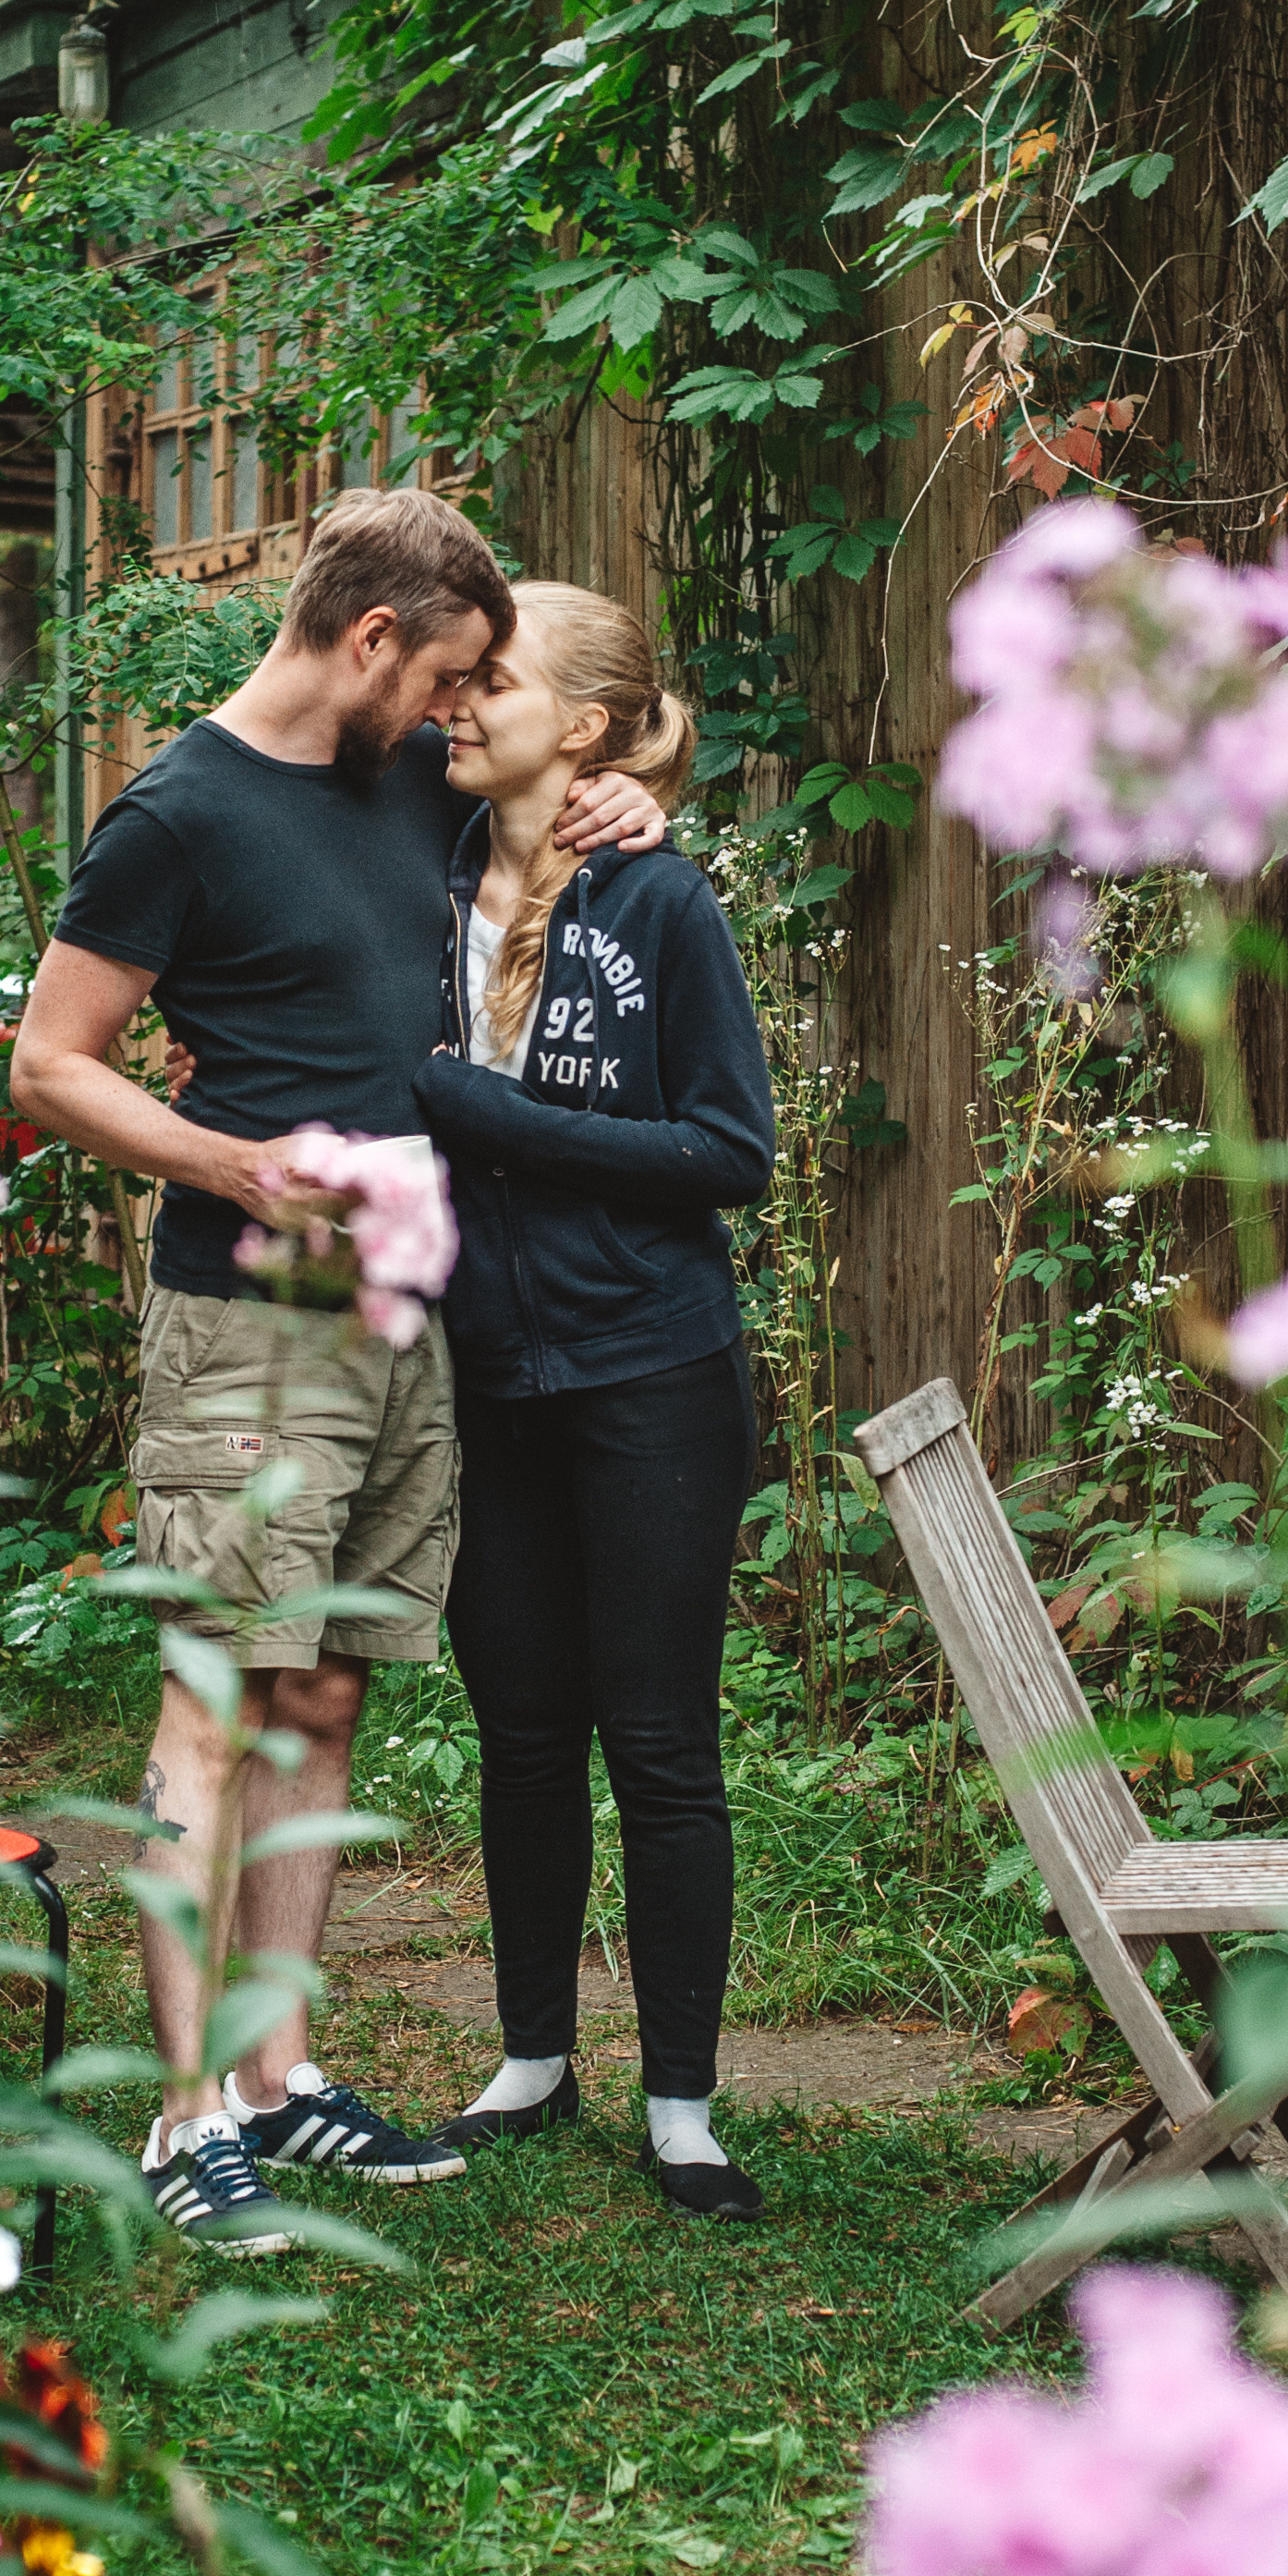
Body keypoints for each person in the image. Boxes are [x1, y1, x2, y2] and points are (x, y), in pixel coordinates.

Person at [7, 493, 666, 2255]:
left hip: (400, 1315)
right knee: (216, 1703)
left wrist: (633, 799)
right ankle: (183, 2113)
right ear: (371, 640)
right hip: (250, 1319)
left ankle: (281, 2075)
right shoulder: (179, 814)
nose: (457, 711)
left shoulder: (411, 778)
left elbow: (585, 772)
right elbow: (51, 1065)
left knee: (320, 1697)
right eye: (443, 676)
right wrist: (229, 1162)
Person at [412, 585, 777, 2220]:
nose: (457, 699)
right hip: (487, 1375)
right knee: (522, 1729)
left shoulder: (660, 900)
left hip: (652, 1374)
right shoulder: (417, 870)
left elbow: (730, 1150)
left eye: (492, 679)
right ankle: (533, 2057)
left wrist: (489, 1118)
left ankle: (683, 2103)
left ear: (582, 728)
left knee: (661, 1739)